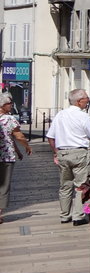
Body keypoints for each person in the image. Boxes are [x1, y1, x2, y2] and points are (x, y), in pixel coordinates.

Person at [46, 88, 90, 225]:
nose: (88, 100)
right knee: (80, 185)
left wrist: (55, 152)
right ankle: (78, 216)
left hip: (63, 153)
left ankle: (64, 215)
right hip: (78, 153)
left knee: (65, 185)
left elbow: (51, 137)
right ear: (79, 101)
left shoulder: (60, 115)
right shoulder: (83, 116)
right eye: (86, 98)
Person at [0, 92, 31, 225]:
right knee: (4, 185)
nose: (11, 105)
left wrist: (17, 151)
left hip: (8, 153)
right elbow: (18, 136)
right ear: (2, 105)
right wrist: (27, 146)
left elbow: (9, 138)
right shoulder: (9, 119)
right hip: (6, 157)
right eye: (9, 103)